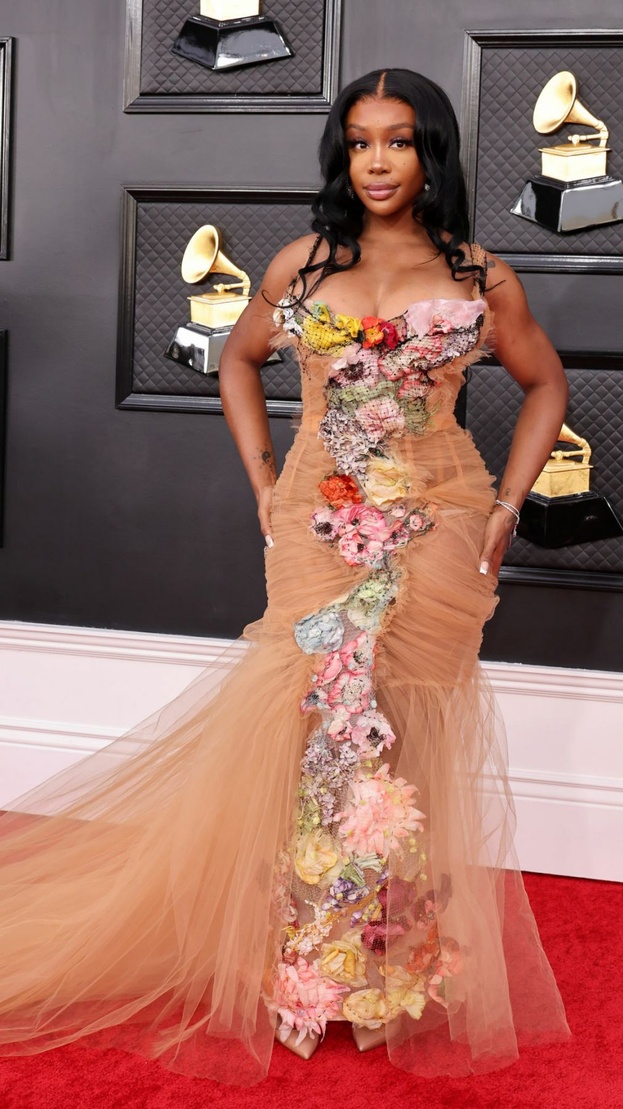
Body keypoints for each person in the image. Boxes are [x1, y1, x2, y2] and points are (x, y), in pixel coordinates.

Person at [0, 68, 570, 1087]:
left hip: (439, 519)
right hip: (318, 519)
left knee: (406, 728)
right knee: (313, 721)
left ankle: (388, 964)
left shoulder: (481, 277)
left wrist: (505, 505)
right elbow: (237, 360)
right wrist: (264, 479)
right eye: (359, 141)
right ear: (342, 153)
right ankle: (300, 962)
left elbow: (545, 384)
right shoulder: (301, 263)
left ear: (432, 153)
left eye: (399, 140)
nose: (378, 161)